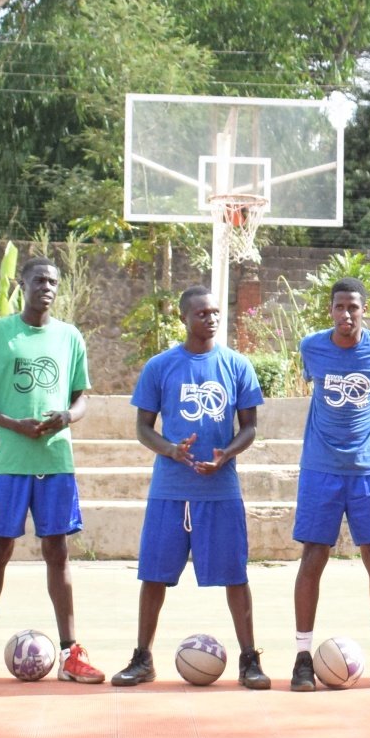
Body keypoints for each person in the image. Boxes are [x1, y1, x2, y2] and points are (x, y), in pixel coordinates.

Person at [0, 256, 103, 688]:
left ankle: (72, 651)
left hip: (55, 462)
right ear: (23, 285)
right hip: (9, 462)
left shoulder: (70, 337)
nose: (47, 287)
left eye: (53, 281)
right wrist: (14, 424)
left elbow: (82, 398)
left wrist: (66, 418)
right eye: (39, 280)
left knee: (57, 551)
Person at [112, 286, 269, 688]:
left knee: (236, 576)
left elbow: (249, 427)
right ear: (184, 318)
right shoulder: (160, 366)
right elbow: (143, 428)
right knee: (153, 576)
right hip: (169, 489)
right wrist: (170, 449)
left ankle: (250, 659)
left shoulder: (237, 365)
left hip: (220, 490)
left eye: (216, 312)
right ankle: (142, 657)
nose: (211, 318)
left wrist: (225, 455)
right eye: (202, 313)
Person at [288, 279, 370, 691]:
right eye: (339, 307)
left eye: (353, 307)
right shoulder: (312, 348)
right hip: (320, 470)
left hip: (369, 471)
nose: (346, 314)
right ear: (330, 310)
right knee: (313, 556)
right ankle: (302, 657)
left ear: (364, 310)